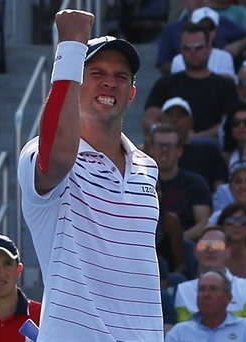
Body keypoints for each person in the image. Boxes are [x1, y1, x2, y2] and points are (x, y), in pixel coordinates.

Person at [17, 9, 163, 341]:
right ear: (77, 85)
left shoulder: (147, 168)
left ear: (132, 95)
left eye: (121, 76)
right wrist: (71, 45)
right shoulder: (39, 154)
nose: (110, 81)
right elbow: (58, 157)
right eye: (96, 72)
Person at [144, 23, 239, 141]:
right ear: (181, 50)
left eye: (198, 47)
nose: (193, 52)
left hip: (212, 148)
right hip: (171, 147)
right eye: (187, 47)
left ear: (209, 48)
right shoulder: (165, 84)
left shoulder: (226, 86)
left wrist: (194, 138)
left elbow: (229, 123)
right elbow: (149, 119)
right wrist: (169, 135)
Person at [174, 226, 246, 327]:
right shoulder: (183, 290)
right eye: (203, 245)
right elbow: (184, 335)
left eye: (217, 245)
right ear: (195, 252)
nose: (210, 250)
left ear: (228, 252)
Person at [149, 123, 212, 242]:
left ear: (179, 151)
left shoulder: (195, 183)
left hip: (186, 245)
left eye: (169, 146)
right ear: (151, 149)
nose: (164, 150)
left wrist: (176, 241)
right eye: (159, 145)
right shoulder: (138, 182)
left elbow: (203, 224)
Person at [166, 270, 246, 341]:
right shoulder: (179, 332)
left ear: (228, 298)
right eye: (201, 289)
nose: (206, 294)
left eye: (213, 289)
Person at [157, 97, 227, 191]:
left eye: (180, 115)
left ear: (191, 121)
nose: (174, 119)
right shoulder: (150, 151)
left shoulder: (209, 151)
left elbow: (220, 189)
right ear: (161, 120)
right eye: (169, 114)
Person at [170, 7, 235, 79]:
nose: (206, 31)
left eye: (210, 27)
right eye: (201, 27)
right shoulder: (178, 60)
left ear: (215, 32)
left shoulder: (224, 57)